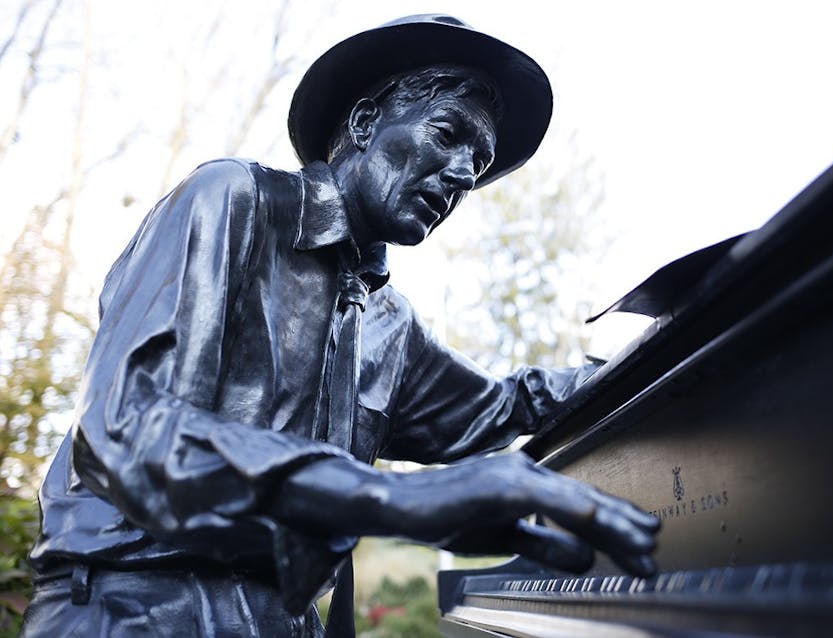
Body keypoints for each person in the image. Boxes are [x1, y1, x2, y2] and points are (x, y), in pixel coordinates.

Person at [21, 15, 659, 638]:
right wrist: (394, 502)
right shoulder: (232, 199)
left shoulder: (389, 322)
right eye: (447, 134)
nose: (466, 173)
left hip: (285, 618)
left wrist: (660, 344)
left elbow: (507, 405)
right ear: (364, 122)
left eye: (479, 159)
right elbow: (123, 426)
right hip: (132, 605)